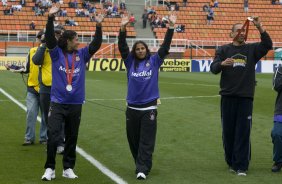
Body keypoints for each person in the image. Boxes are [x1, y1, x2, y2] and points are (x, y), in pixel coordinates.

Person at [41, 4, 103, 181]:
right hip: (58, 102)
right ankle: (50, 168)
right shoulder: (56, 54)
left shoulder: (82, 54)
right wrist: (50, 19)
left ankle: (68, 167)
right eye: (76, 39)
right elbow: (50, 39)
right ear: (68, 40)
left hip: (76, 103)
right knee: (53, 136)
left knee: (72, 137)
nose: (78, 41)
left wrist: (98, 26)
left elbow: (96, 44)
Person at [210, 16, 272, 176]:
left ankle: (241, 166)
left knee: (243, 133)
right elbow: (213, 68)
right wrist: (222, 64)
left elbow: (268, 45)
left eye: (243, 30)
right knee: (228, 132)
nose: (242, 32)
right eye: (238, 30)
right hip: (228, 97)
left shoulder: (252, 49)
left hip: (245, 98)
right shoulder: (223, 50)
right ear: (231, 34)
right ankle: (231, 161)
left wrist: (260, 27)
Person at [118, 13, 176, 180]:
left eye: (143, 48)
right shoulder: (129, 62)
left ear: (146, 50)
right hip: (132, 109)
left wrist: (171, 27)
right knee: (133, 140)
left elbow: (165, 47)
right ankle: (141, 163)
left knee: (146, 141)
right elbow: (122, 47)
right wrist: (122, 28)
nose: (140, 51)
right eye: (138, 49)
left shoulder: (155, 61)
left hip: (149, 108)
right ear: (134, 51)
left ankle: (142, 168)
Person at [5, 33, 48, 146]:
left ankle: (44, 138)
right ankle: (29, 137)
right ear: (38, 39)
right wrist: (15, 68)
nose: (42, 40)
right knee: (31, 113)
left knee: (45, 116)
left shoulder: (51, 51)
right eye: (41, 38)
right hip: (32, 88)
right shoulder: (32, 51)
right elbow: (27, 67)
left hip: (46, 89)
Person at [33, 28, 66, 154]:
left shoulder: (61, 49)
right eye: (53, 35)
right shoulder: (43, 49)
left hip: (60, 88)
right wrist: (43, 45)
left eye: (57, 35)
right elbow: (36, 61)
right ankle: (52, 142)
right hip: (46, 88)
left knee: (60, 117)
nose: (55, 37)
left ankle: (60, 143)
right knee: (48, 118)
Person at [271, 65, 282, 172]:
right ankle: (278, 161)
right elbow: (276, 85)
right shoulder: (280, 69)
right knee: (277, 133)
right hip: (281, 109)